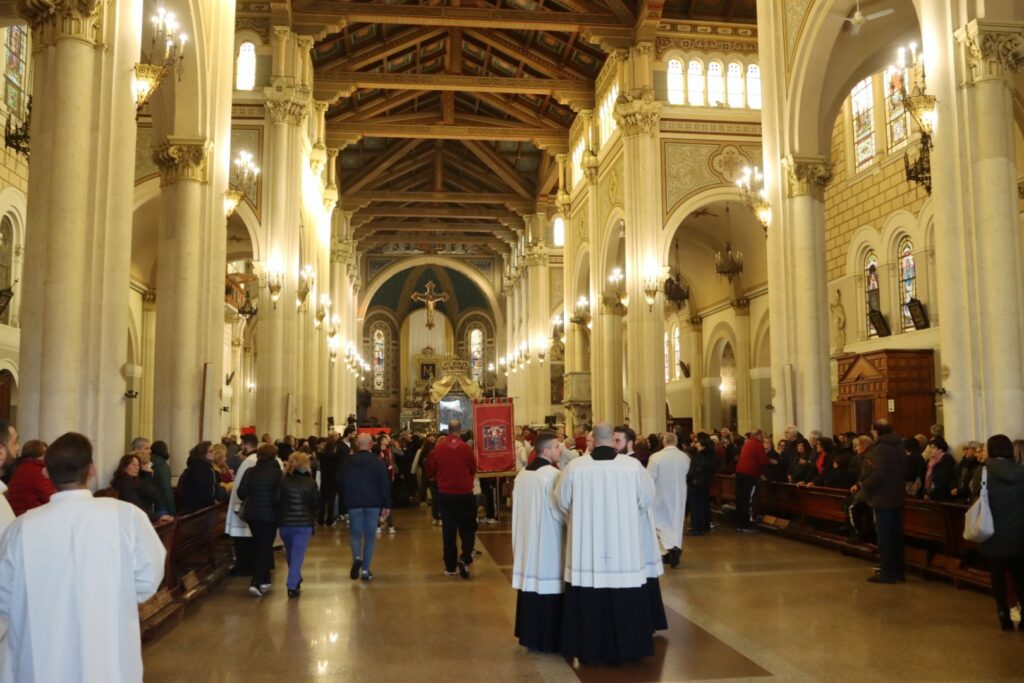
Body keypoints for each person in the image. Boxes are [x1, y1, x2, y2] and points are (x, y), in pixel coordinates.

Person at [0, 432, 164, 682]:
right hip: (106, 648)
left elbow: (5, 595)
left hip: (42, 656)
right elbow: (148, 579)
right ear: (92, 470)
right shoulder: (127, 517)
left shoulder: (22, 528)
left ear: (46, 473)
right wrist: (115, 599)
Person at [556, 423, 666, 666]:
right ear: (611, 440)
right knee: (624, 592)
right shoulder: (632, 466)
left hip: (587, 548)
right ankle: (629, 648)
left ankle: (588, 648)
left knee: (589, 592)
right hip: (623, 545)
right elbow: (647, 499)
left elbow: (562, 501)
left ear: (592, 440)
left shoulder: (576, 466)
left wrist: (581, 516)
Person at [511, 430, 565, 653]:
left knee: (531, 585)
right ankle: (549, 637)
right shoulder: (552, 476)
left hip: (526, 539)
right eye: (557, 446)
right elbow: (560, 510)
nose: (560, 450)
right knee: (548, 584)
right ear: (546, 450)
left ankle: (529, 634)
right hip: (548, 540)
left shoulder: (522, 474)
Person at [970, 435, 1024, 630]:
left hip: (992, 531)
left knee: (998, 575)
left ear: (991, 450)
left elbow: (975, 496)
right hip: (1018, 532)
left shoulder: (982, 472)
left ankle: (1003, 612)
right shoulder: (1021, 471)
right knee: (1019, 574)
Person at [424, 419, 477, 578]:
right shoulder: (466, 448)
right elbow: (473, 467)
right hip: (465, 494)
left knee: (449, 531)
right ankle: (465, 558)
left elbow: (430, 470)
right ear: (460, 431)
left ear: (448, 430)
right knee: (468, 529)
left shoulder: (438, 449)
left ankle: (450, 566)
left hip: (445, 495)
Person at [861, 420, 907, 584]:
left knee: (885, 537)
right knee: (895, 536)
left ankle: (887, 572)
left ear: (876, 431)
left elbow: (879, 474)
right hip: (896, 496)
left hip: (883, 498)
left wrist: (864, 485)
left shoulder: (880, 449)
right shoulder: (898, 446)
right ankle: (898, 571)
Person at [341, 433, 390, 582]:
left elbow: (341, 481)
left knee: (355, 534)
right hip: (373, 504)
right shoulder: (377, 462)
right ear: (370, 445)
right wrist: (386, 504)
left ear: (357, 444)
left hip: (354, 503)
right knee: (370, 538)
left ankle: (356, 557)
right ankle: (365, 570)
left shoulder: (348, 462)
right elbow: (384, 484)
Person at [237, 443, 283, 597]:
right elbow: (279, 496)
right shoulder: (277, 474)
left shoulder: (250, 472)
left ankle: (265, 579)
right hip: (270, 515)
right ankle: (256, 582)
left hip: (252, 514)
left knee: (260, 545)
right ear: (274, 456)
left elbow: (241, 492)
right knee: (264, 546)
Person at [278, 452, 319, 598]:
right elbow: (315, 504)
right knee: (297, 555)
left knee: (291, 553)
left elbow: (277, 501)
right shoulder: (311, 483)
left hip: (285, 523)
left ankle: (296, 578)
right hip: (303, 523)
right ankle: (292, 585)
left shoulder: (282, 481)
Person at [647, 432, 690, 568]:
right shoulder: (685, 457)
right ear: (676, 442)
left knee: (660, 523)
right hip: (679, 495)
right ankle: (674, 547)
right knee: (676, 523)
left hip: (660, 495)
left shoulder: (656, 457)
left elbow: (649, 477)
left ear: (663, 442)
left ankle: (668, 549)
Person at [226, 433, 261, 576]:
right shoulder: (254, 459)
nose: (241, 448)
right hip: (252, 505)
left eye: (242, 445)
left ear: (246, 444)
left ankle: (244, 567)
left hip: (242, 506)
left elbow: (241, 486)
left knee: (242, 540)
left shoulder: (249, 461)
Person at [109, 454, 168, 523]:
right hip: (130, 520)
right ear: (124, 467)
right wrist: (157, 518)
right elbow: (136, 505)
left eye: (138, 465)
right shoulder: (125, 483)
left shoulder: (131, 481)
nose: (137, 468)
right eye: (133, 465)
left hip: (134, 518)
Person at [5, 440, 54, 517]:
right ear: (42, 455)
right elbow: (51, 496)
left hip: (16, 517)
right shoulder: (38, 471)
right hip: (33, 518)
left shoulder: (18, 469)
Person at [178, 441, 226, 513]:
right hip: (198, 509)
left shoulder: (205, 467)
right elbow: (204, 490)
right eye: (210, 451)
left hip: (199, 508)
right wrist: (213, 501)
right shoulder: (199, 469)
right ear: (203, 454)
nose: (214, 453)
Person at [734, 429, 767, 532]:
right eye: (762, 435)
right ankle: (746, 525)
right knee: (747, 499)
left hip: (739, 473)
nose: (763, 438)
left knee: (740, 499)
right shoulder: (757, 445)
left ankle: (740, 524)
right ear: (757, 435)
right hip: (748, 475)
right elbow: (763, 461)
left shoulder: (747, 443)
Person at [687, 433, 717, 536]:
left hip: (695, 484)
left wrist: (688, 480)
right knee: (704, 505)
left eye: (698, 443)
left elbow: (692, 472)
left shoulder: (697, 457)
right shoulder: (711, 456)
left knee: (695, 507)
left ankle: (696, 528)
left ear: (703, 446)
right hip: (705, 483)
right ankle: (705, 526)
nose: (696, 444)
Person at [317, 432, 341, 526]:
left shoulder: (322, 457)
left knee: (323, 500)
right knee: (331, 501)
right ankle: (330, 520)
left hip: (324, 479)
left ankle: (320, 519)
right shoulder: (335, 460)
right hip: (333, 480)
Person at [923, 437, 955, 501]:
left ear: (940, 449)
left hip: (942, 496)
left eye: (933, 448)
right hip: (930, 494)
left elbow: (943, 480)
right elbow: (925, 477)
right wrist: (925, 493)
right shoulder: (929, 461)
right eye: (930, 447)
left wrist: (931, 495)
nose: (930, 450)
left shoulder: (946, 461)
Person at [149, 440, 175, 516]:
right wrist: (172, 510)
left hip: (150, 504)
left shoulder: (146, 463)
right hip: (162, 506)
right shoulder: (163, 466)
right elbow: (166, 489)